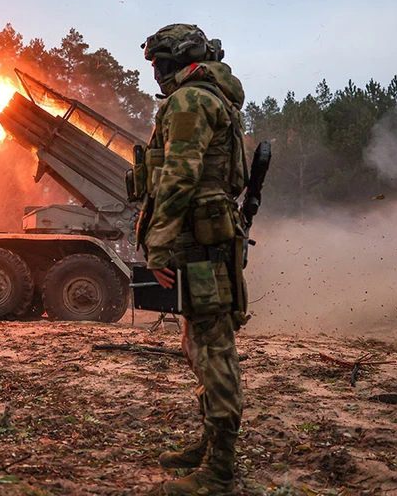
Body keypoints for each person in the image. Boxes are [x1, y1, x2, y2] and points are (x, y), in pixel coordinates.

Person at [138, 24, 249, 495]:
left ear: (179, 60)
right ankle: (209, 444)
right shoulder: (210, 96)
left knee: (213, 349)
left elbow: (179, 176)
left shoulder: (190, 101)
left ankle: (220, 470)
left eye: (161, 63)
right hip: (203, 238)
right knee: (198, 342)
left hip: (196, 242)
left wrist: (158, 242)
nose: (157, 73)